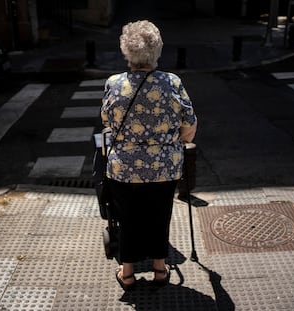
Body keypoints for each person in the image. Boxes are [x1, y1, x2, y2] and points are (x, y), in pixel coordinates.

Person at [101, 20, 197, 291]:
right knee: (160, 214)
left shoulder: (114, 83)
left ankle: (128, 274)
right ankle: (159, 269)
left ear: (126, 52)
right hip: (164, 167)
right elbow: (189, 130)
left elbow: (107, 121)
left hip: (124, 168)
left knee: (127, 217)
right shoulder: (172, 83)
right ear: (156, 51)